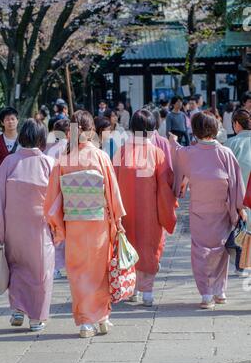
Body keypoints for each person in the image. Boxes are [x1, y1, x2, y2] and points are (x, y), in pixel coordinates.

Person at [44, 110, 125, 338]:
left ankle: (85, 323)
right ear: (90, 132)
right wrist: (117, 220)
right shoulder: (100, 157)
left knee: (78, 271)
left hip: (75, 223)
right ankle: (102, 318)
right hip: (98, 222)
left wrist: (57, 225)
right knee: (99, 270)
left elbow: (52, 198)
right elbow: (112, 194)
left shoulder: (64, 159)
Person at [0, 119, 55, 332]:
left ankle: (17, 309)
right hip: (41, 226)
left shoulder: (10, 162)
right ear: (42, 139)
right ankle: (36, 318)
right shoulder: (49, 163)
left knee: (16, 266)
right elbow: (58, 198)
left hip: (13, 225)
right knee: (41, 270)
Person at [170, 111, 246, 309]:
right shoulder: (225, 153)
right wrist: (239, 208)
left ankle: (206, 293)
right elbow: (237, 183)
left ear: (194, 130)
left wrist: (172, 141)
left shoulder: (188, 153)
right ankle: (219, 291)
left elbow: (177, 153)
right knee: (220, 251)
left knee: (200, 252)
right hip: (222, 209)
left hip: (199, 210)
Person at [114, 110, 177, 306]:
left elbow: (112, 183)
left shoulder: (121, 151)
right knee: (149, 248)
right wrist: (169, 210)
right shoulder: (156, 153)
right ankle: (147, 292)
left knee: (128, 247)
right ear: (152, 130)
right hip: (150, 212)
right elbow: (165, 188)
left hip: (125, 212)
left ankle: (132, 289)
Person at [225, 109, 251, 276]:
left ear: (236, 124)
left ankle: (242, 265)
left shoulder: (230, 144)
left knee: (242, 227)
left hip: (237, 195)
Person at [45, 118, 70, 281]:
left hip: (53, 192)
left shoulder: (49, 149)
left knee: (56, 229)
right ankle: (69, 264)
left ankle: (54, 267)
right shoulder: (70, 148)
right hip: (69, 192)